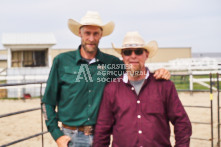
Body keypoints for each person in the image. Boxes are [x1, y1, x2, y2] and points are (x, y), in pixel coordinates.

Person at [42, 11, 171, 147]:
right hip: (71, 137)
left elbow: (136, 71)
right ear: (80, 33)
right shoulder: (62, 61)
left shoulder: (112, 63)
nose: (91, 38)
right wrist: (57, 134)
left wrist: (158, 73)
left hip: (101, 136)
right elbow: (47, 102)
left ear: (101, 35)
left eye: (95, 33)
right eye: (87, 33)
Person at [93, 32, 192, 147]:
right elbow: (102, 130)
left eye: (138, 51)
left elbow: (182, 123)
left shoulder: (164, 86)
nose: (133, 56)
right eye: (128, 52)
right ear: (123, 56)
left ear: (146, 55)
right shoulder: (111, 89)